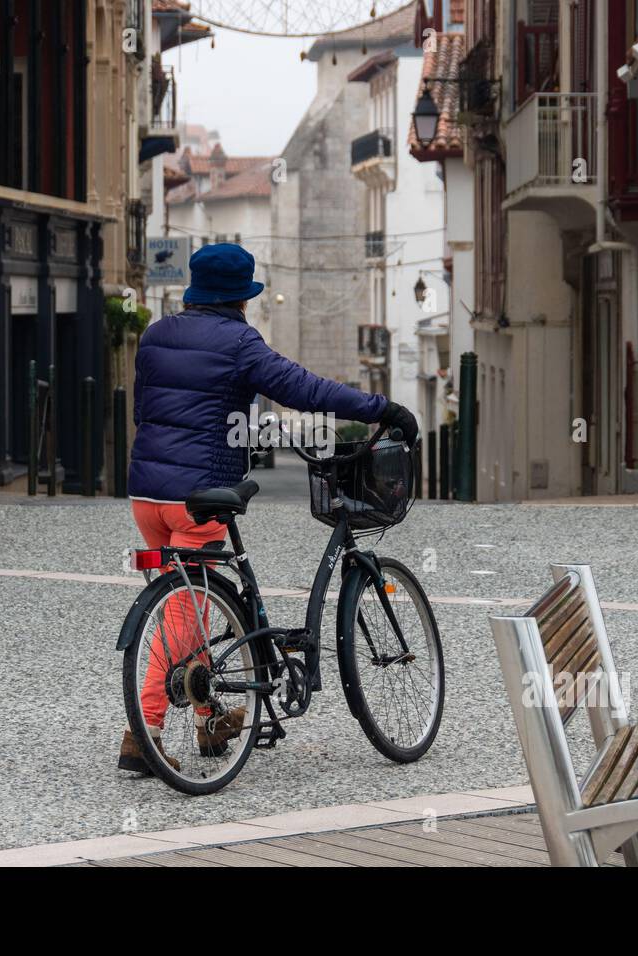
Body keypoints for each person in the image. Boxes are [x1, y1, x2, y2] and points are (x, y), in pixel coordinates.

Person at [119, 243, 417, 774]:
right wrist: (381, 408)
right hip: (199, 498)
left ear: (193, 290)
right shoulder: (239, 342)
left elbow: (145, 409)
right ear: (241, 298)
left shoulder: (156, 334)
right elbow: (302, 389)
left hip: (148, 496)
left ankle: (209, 717)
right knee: (182, 616)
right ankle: (144, 731)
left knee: (192, 598)